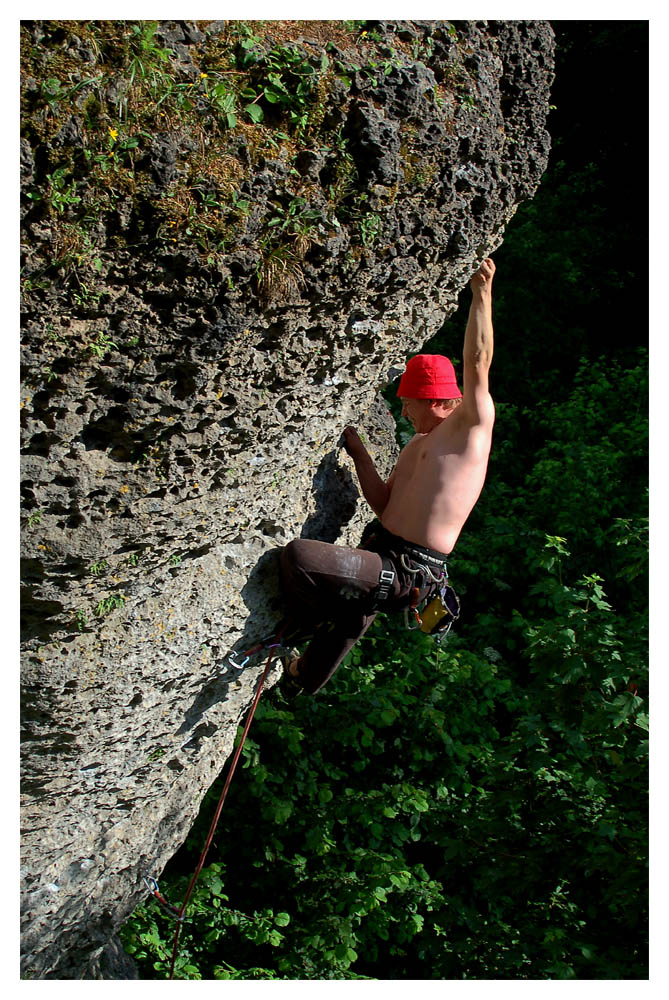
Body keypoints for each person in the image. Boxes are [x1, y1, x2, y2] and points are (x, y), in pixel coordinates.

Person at [279, 258, 496, 695]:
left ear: (431, 399)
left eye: (407, 403)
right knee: (351, 610)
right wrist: (357, 452)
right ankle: (303, 678)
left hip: (409, 571)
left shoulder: (471, 428)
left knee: (299, 558)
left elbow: (477, 361)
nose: (404, 412)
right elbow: (384, 505)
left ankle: (311, 626)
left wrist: (482, 293)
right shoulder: (418, 444)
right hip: (383, 553)